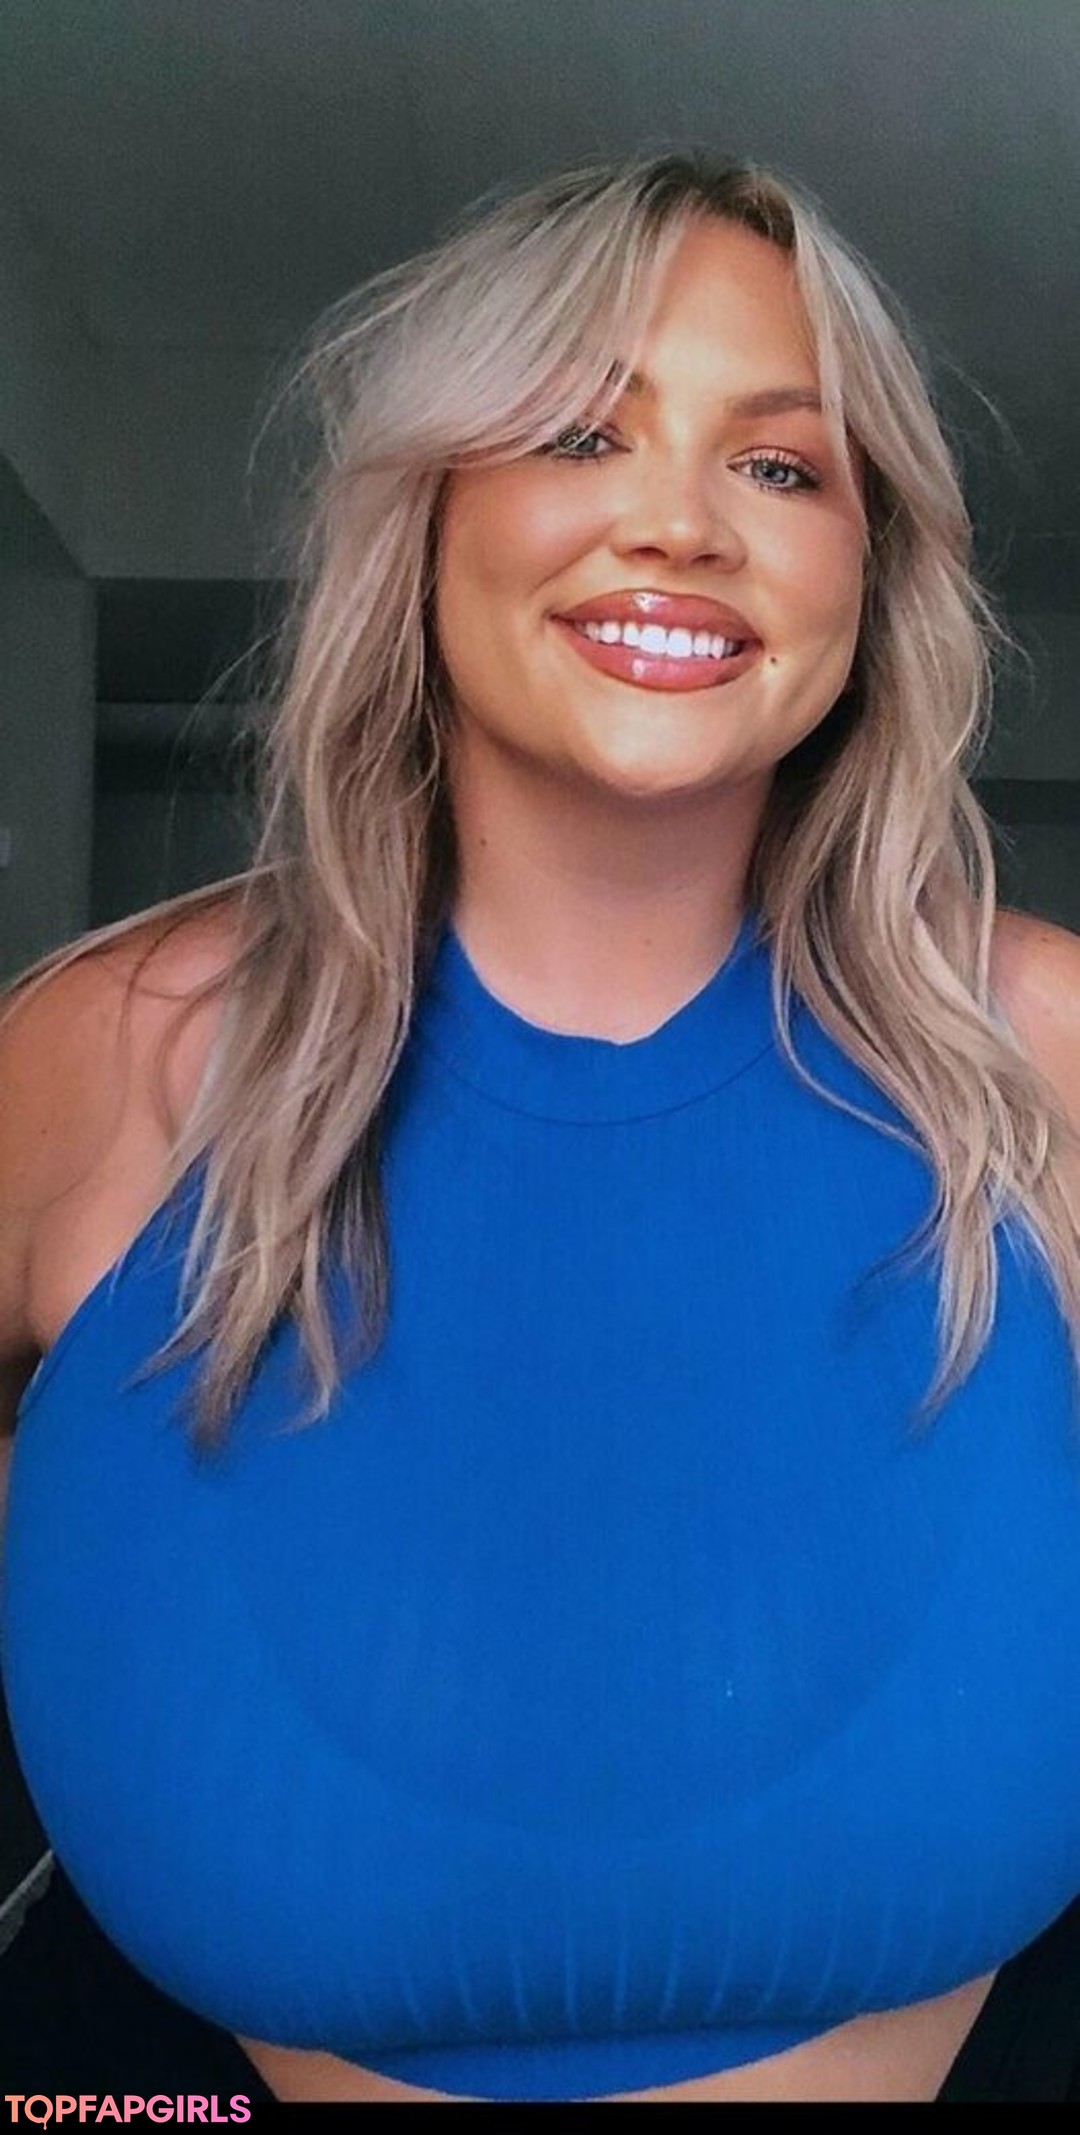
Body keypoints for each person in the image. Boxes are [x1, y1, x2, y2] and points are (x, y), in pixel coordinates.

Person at [1, 152, 1079, 2106]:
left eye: (782, 465)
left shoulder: (1046, 1062)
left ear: (873, 571)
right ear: (425, 513)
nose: (681, 522)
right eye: (583, 431)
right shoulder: (116, 1054)